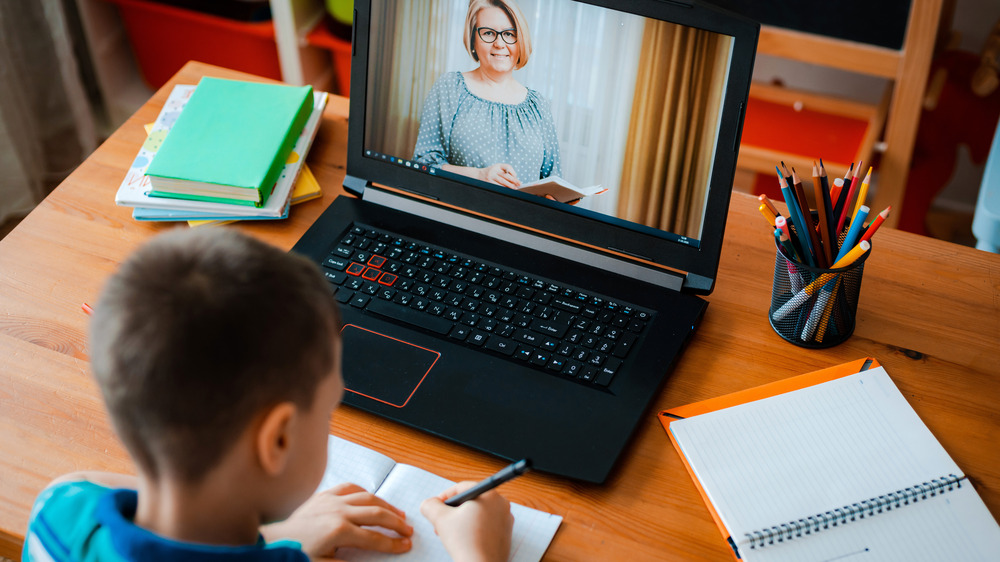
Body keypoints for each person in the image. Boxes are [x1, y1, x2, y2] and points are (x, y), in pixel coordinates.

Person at [23, 228, 513, 561]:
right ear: (277, 440)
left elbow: (85, 479)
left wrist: (277, 536)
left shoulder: (61, 512)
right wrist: (478, 553)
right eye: (328, 411)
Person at [413, 0, 561, 190]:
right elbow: (423, 165)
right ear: (473, 39)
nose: (499, 43)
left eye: (509, 34)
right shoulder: (449, 87)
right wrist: (479, 175)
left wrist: (557, 196)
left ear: (521, 40)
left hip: (519, 218)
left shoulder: (538, 104)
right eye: (488, 33)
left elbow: (553, 178)